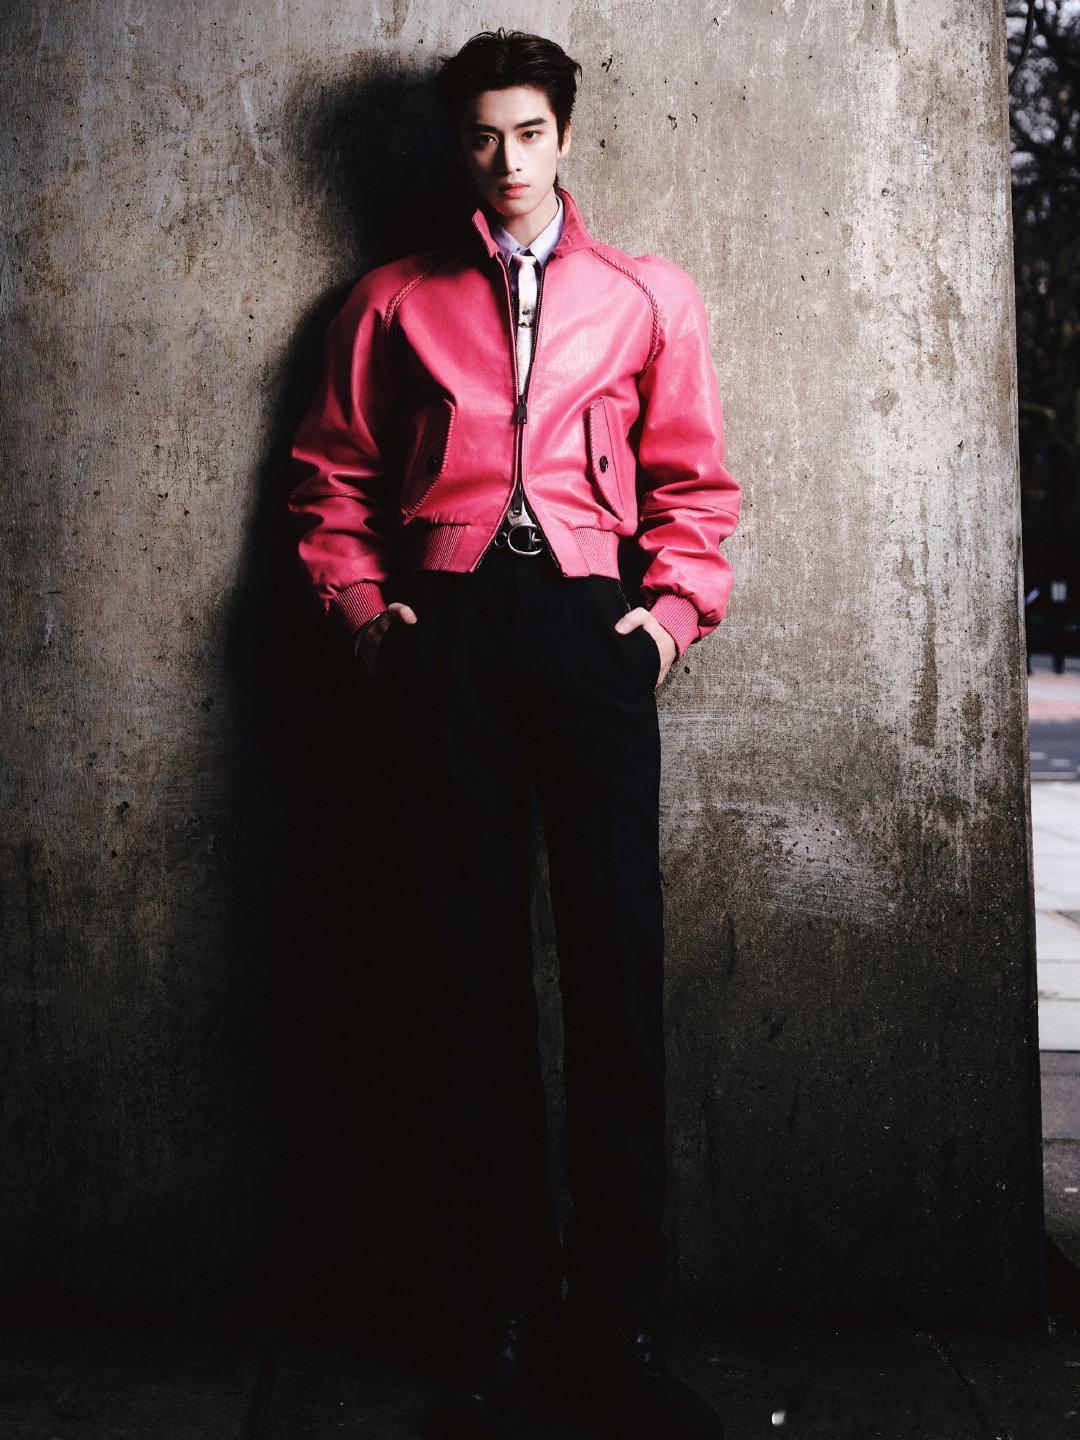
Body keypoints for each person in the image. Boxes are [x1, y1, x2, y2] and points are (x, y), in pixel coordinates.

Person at [287, 27, 741, 1440]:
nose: (507, 160)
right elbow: (331, 481)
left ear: (565, 136)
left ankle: (619, 1330)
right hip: (449, 637)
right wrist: (370, 620)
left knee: (617, 980)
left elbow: (696, 486)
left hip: (592, 636)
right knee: (464, 981)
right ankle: (496, 1320)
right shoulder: (390, 303)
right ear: (459, 145)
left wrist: (666, 621)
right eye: (483, 135)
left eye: (529, 132)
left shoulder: (647, 296)